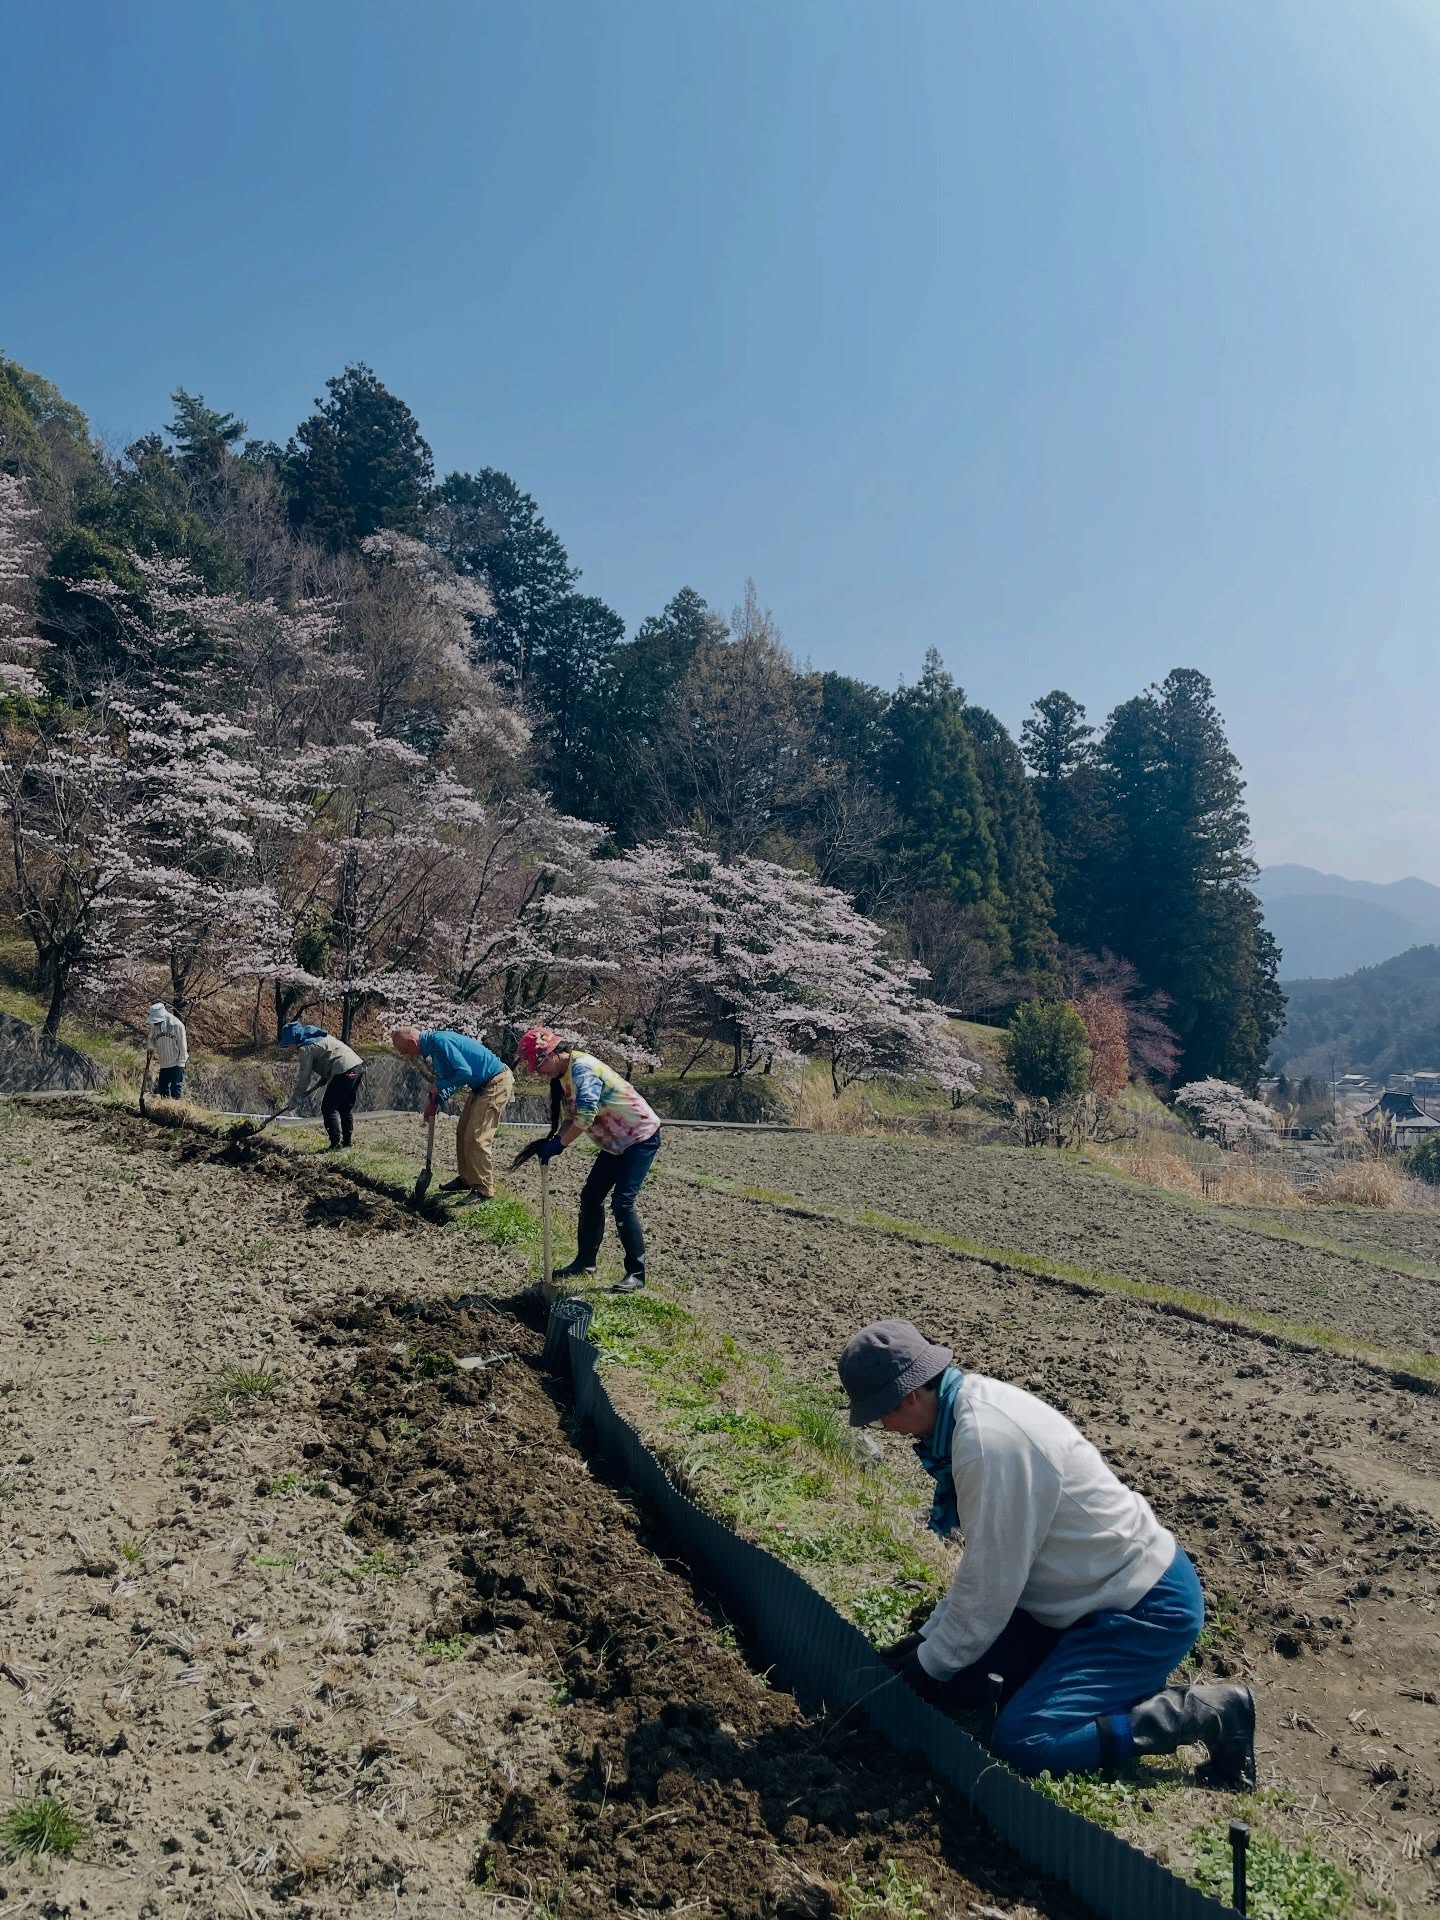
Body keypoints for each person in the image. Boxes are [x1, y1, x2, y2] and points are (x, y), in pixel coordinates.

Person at [837, 1318, 1256, 1788]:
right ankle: (1097, 1684)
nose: (886, 1429)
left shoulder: (986, 1443)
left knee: (1025, 1740)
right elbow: (986, 1572)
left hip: (1141, 1609)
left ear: (910, 1395)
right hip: (1074, 1600)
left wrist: (927, 1664)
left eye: (881, 1415)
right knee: (962, 1679)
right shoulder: (963, 1411)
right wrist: (928, 1644)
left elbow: (992, 1585)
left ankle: (1206, 1712)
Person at [517, 1027, 662, 1294]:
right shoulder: (563, 1076)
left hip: (639, 1137)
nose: (538, 1072)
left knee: (622, 1203)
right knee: (591, 1196)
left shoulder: (582, 1069)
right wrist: (555, 1140)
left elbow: (584, 1116)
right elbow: (570, 1118)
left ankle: (636, 1273)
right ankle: (585, 1262)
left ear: (553, 1053)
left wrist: (560, 1145)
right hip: (615, 1143)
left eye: (539, 1065)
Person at [390, 1026, 513, 1198]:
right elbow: (453, 1078)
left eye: (404, 1051)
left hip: (495, 1082)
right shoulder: (434, 1047)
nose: (405, 1055)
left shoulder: (440, 1042)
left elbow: (464, 1072)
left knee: (477, 1136)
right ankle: (467, 1179)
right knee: (462, 1132)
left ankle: (484, 1189)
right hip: (481, 1085)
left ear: (412, 1043)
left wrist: (438, 1086)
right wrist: (437, 1100)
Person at [279, 1022, 365, 1149]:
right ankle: (347, 1143)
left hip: (343, 1070)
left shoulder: (305, 1047)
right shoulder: (317, 1038)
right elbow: (330, 1055)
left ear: (294, 1039)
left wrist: (295, 1098)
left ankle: (335, 1144)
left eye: (288, 1044)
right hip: (357, 1067)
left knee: (328, 1108)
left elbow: (305, 1076)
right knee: (344, 1107)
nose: (289, 1048)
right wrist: (325, 1077)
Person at [146, 1002, 188, 1099]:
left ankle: (175, 1109)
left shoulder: (176, 1025)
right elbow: (151, 1038)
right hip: (164, 1062)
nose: (155, 1023)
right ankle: (164, 1108)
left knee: (175, 1088)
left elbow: (182, 1045)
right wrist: (151, 1047)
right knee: (163, 1088)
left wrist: (181, 1062)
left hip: (176, 1062)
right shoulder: (155, 1026)